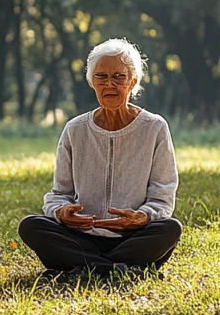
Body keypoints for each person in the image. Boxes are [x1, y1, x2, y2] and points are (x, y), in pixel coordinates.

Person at [18, 38, 181, 278]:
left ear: (133, 81)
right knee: (31, 226)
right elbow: (59, 194)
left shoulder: (154, 127)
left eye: (119, 76)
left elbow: (162, 195)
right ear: (92, 82)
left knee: (169, 229)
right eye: (101, 77)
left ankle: (82, 269)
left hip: (132, 237)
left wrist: (142, 217)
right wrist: (61, 212)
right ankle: (120, 270)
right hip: (81, 236)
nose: (110, 84)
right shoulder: (75, 129)